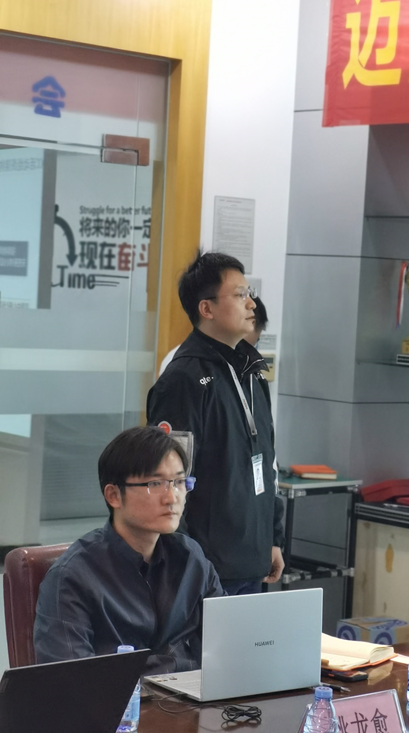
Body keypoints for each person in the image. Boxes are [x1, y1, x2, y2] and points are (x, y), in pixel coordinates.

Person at [147, 251, 284, 595]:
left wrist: (272, 538)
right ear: (206, 309)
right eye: (239, 295)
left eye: (250, 293)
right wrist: (185, 562)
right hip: (205, 569)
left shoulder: (252, 372)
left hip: (252, 558)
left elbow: (267, 462)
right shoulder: (183, 379)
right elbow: (168, 479)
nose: (251, 304)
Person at [34, 426, 224, 674]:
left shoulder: (191, 558)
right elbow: (70, 681)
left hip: (193, 696)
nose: (172, 497)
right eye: (155, 483)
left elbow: (229, 643)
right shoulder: (72, 577)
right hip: (118, 700)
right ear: (114, 495)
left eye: (179, 482)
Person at [158, 293, 269, 376]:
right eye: (240, 344)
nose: (244, 354)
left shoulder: (250, 369)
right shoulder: (181, 365)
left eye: (251, 347)